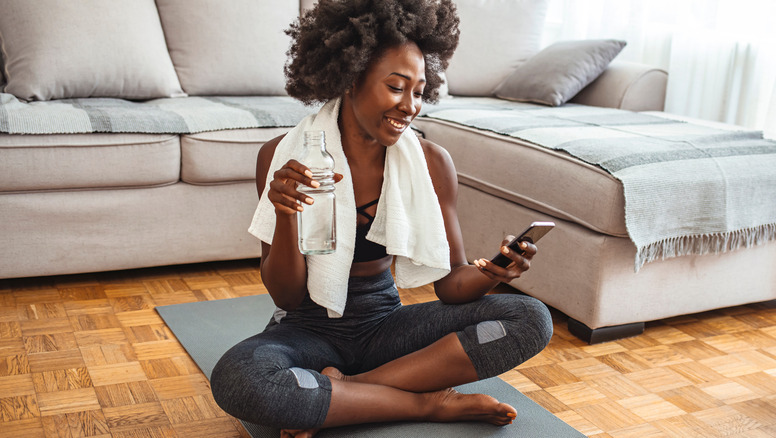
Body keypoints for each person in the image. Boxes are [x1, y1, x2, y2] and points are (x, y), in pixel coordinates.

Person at [210, 1, 553, 437]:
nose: (410, 106)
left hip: (388, 328)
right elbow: (287, 296)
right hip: (307, 331)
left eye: (419, 91)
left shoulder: (430, 162)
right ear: (351, 79)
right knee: (240, 380)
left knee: (532, 319)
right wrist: (284, 214)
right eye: (396, 87)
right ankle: (427, 403)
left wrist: (496, 271)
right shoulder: (281, 158)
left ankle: (348, 393)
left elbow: (451, 285)